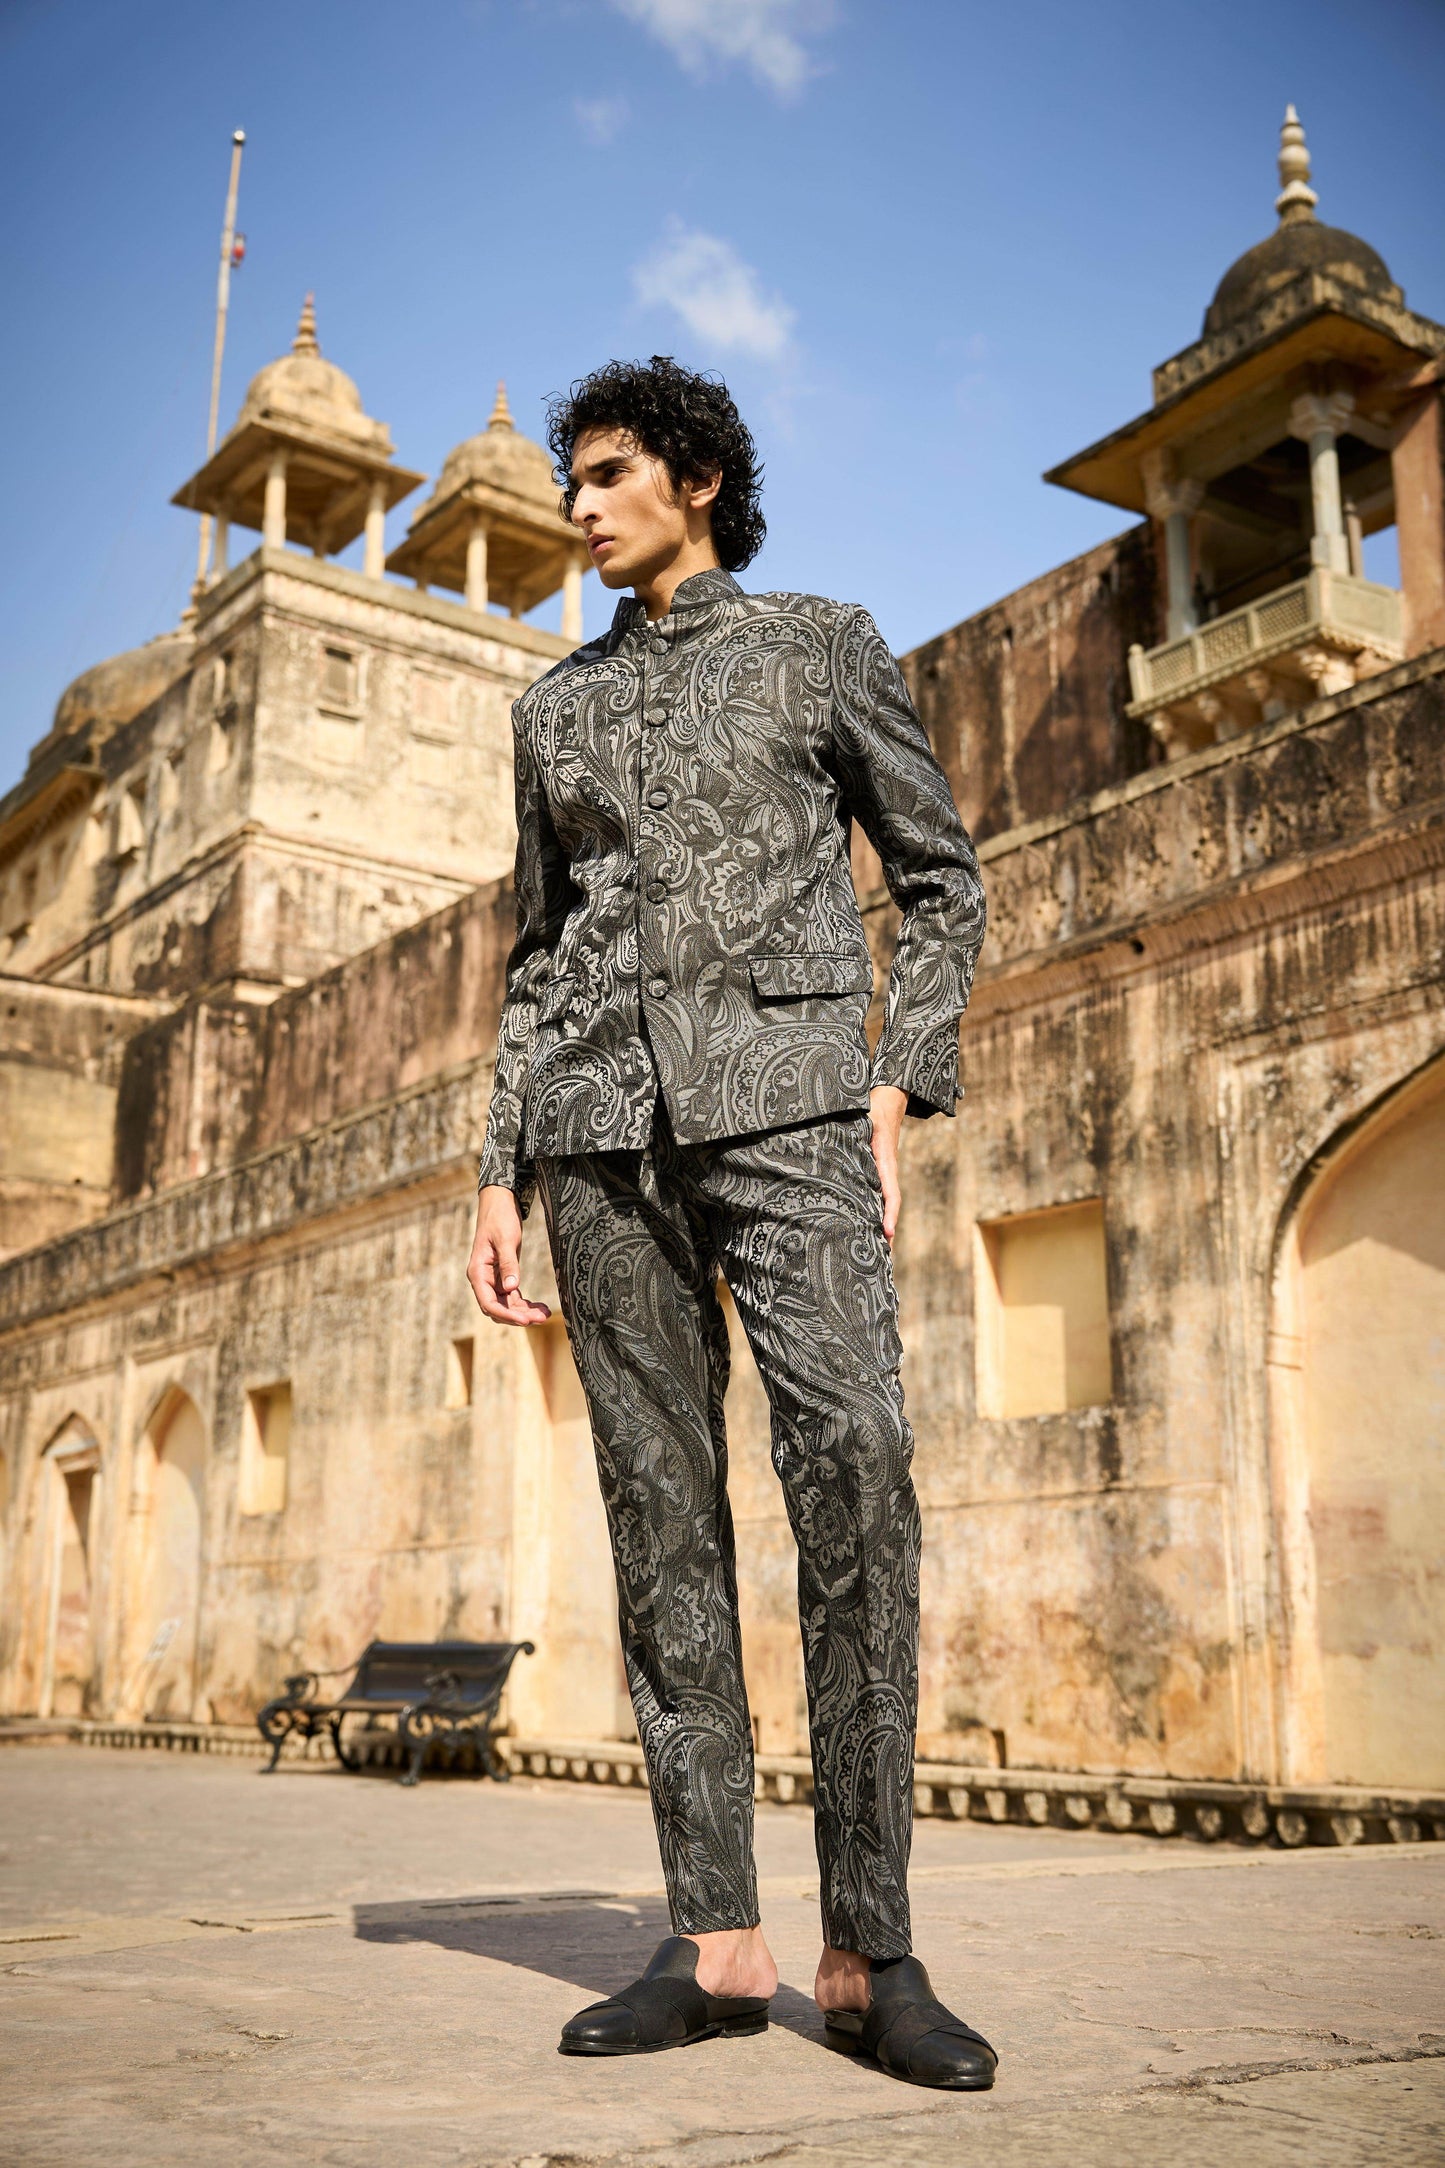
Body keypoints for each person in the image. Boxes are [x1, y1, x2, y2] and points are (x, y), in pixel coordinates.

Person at [468, 356, 994, 2089]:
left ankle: (868, 1949)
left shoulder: (819, 646)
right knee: (658, 1519)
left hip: (788, 1113)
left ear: (694, 478)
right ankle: (714, 1943)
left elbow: (940, 876)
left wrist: (897, 1084)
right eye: (570, 482)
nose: (580, 508)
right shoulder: (551, 711)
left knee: (856, 1467)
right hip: (597, 1139)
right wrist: (497, 1168)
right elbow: (537, 951)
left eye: (608, 473)